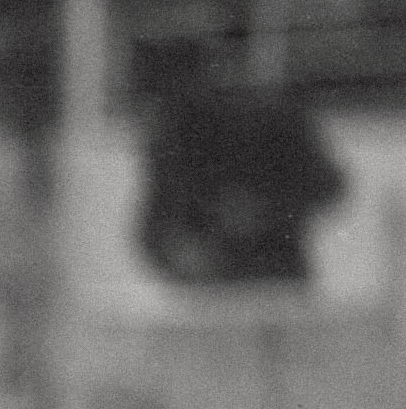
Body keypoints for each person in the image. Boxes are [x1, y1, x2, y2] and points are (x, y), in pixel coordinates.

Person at [138, 39, 345, 285]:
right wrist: (178, 251)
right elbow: (156, 220)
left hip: (277, 274)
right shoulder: (182, 126)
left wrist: (267, 210)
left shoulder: (284, 118)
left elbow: (329, 185)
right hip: (211, 281)